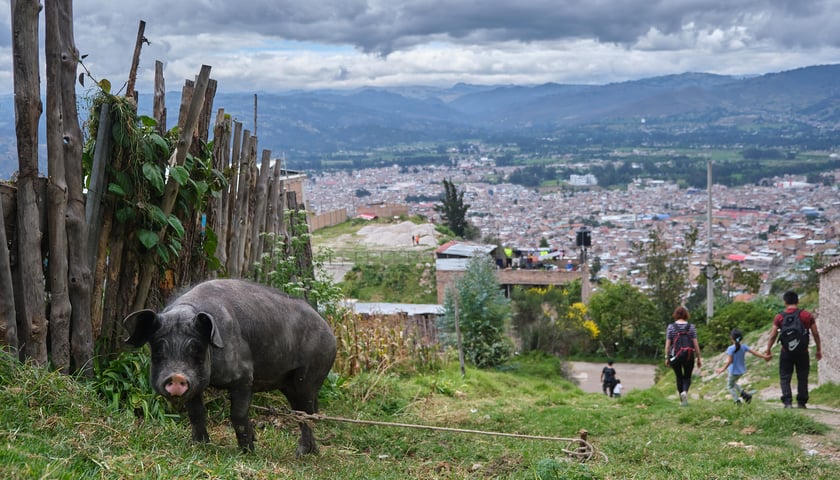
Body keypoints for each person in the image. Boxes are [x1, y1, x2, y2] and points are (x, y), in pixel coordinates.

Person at [764, 291, 822, 409]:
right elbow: (815, 333)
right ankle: (801, 402)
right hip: (803, 352)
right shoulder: (806, 315)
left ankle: (787, 402)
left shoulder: (779, 317)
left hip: (786, 352)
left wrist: (768, 350)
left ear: (785, 302)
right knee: (802, 376)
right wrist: (818, 349)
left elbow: (773, 335)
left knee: (785, 376)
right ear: (798, 301)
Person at [715, 328, 769, 404]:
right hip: (741, 371)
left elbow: (730, 361)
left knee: (729, 386)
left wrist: (722, 369)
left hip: (733, 371)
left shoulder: (730, 349)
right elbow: (754, 353)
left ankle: (737, 401)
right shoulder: (744, 347)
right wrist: (764, 356)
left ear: (731, 338)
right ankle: (745, 395)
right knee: (733, 383)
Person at [665, 306, 702, 406]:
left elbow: (668, 344)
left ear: (675, 314)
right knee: (687, 376)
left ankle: (682, 401)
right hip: (689, 355)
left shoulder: (671, 327)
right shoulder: (691, 327)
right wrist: (698, 357)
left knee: (679, 377)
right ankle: (685, 392)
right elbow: (695, 343)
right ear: (686, 314)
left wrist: (666, 357)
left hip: (675, 356)